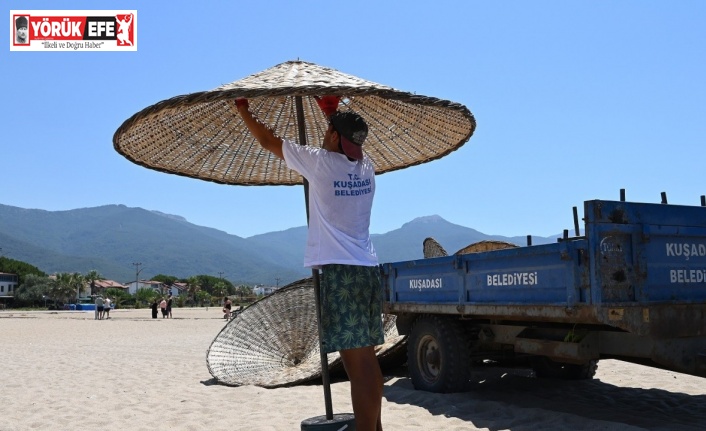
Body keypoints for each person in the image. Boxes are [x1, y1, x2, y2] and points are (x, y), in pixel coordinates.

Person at [232, 97, 384, 431]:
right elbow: (338, 141)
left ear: (331, 137)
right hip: (368, 269)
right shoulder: (366, 166)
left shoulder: (320, 163)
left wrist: (244, 109)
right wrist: (331, 114)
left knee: (358, 368)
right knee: (366, 361)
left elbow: (268, 141)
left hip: (341, 273)